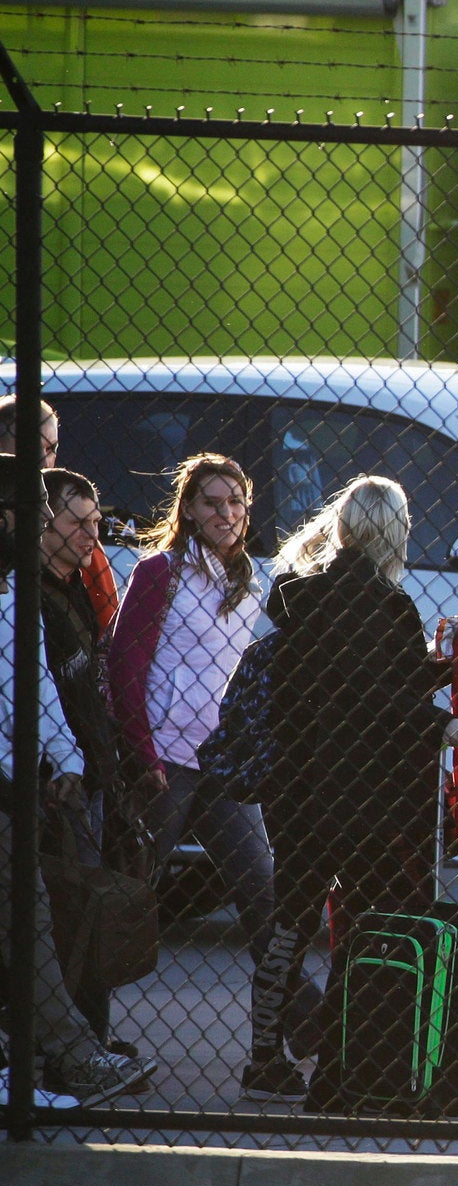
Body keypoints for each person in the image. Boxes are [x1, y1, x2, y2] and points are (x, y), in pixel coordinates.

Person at [252, 476, 458, 1095]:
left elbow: (339, 684)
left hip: (296, 783)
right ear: (396, 531)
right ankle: (351, 1055)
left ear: (342, 527)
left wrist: (419, 673)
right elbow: (382, 698)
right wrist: (442, 712)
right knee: (370, 920)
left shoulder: (297, 597)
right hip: (364, 794)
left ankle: (264, 1058)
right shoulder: (389, 607)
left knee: (290, 923)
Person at [104, 454, 285, 1097]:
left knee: (265, 893)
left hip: (221, 765)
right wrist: (142, 754)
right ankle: (85, 1038)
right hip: (164, 765)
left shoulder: (253, 578)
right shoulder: (160, 572)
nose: (226, 515)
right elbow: (126, 665)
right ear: (187, 509)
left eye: (235, 502)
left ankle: (280, 1050)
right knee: (126, 893)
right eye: (211, 502)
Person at [0, 473, 154, 1104]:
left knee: (37, 916)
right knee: (30, 920)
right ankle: (70, 1052)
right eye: (38, 515)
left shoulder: (16, 597)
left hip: (21, 785)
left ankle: (48, 1056)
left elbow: (41, 693)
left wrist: (65, 758)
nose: (45, 529)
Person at [39, 469, 153, 1045]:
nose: (91, 535)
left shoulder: (78, 586)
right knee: (70, 911)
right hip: (55, 774)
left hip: (94, 764)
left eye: (95, 522)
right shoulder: (29, 594)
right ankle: (75, 1041)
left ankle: (93, 1034)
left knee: (96, 910)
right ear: (42, 522)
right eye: (76, 522)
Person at [0, 394, 117, 636]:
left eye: (51, 448)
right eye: (31, 446)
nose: (43, 459)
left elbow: (107, 626)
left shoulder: (82, 533)